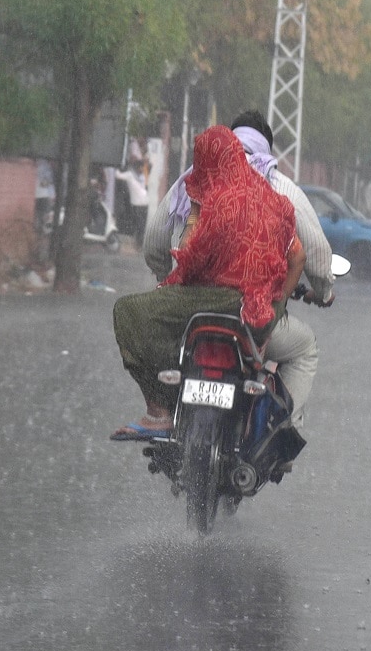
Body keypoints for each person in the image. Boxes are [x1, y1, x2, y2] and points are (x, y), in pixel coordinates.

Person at [142, 110, 334, 428]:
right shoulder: (279, 189)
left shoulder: (192, 182)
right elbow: (310, 255)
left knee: (160, 347)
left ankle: (163, 413)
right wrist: (318, 292)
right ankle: (285, 428)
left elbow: (154, 243)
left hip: (192, 310)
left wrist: (170, 283)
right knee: (305, 349)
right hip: (249, 315)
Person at [110, 125, 303, 440]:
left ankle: (159, 410)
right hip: (258, 308)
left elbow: (189, 255)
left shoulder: (213, 197)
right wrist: (276, 304)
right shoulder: (272, 198)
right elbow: (298, 257)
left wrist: (196, 210)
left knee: (128, 311)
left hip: (217, 299)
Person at [114, 159, 151, 248]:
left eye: (142, 168)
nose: (141, 169)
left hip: (144, 203)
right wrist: (117, 166)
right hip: (137, 204)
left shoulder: (143, 176)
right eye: (140, 168)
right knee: (139, 224)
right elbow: (117, 175)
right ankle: (138, 243)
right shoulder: (130, 175)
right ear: (137, 168)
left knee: (141, 225)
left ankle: (139, 243)